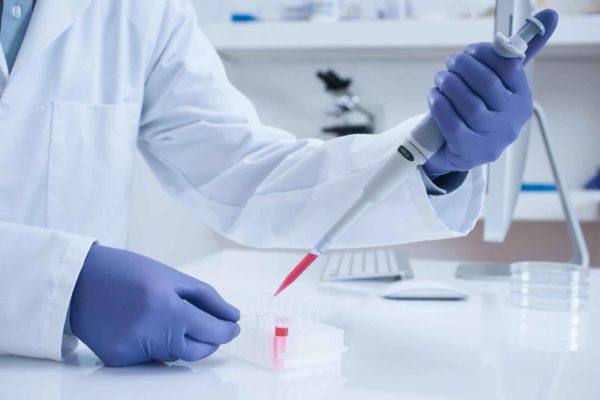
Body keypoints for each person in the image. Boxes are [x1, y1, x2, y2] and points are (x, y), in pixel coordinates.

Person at [0, 0, 557, 367]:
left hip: (67, 377)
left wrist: (437, 161)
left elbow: (243, 169)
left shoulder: (137, 9)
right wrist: (57, 284)